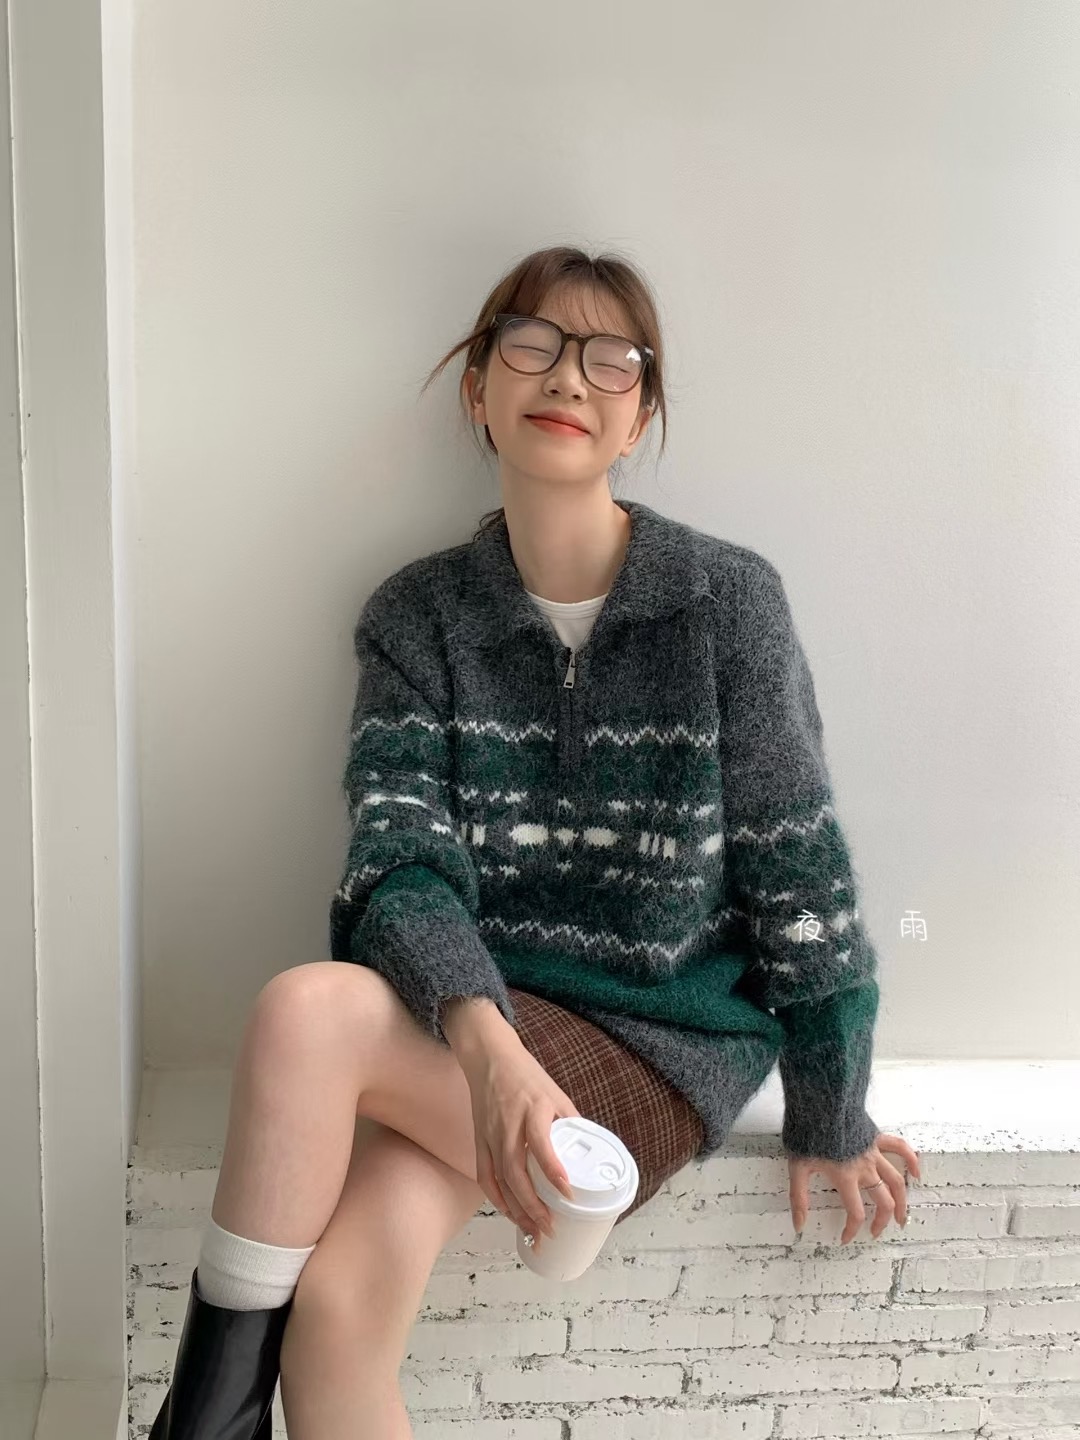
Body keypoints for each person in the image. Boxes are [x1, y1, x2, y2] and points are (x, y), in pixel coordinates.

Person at [148, 245, 921, 1440]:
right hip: (476, 1040)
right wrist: (491, 1048)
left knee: (307, 1014)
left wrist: (832, 1107)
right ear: (479, 388)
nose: (568, 375)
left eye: (612, 358)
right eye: (533, 344)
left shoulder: (726, 606)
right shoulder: (419, 615)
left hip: (655, 1051)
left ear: (640, 415)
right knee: (337, 1318)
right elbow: (398, 861)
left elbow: (798, 875)